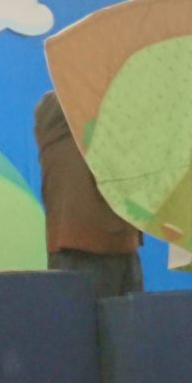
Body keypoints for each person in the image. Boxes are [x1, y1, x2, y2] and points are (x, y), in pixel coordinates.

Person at [35, 91, 143, 298]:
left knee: (129, 319)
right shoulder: (56, 112)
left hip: (124, 247)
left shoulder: (116, 129)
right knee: (80, 318)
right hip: (79, 251)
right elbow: (81, 93)